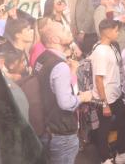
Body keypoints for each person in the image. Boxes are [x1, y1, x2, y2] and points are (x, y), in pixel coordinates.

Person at [32, 19, 93, 163]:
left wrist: (72, 72)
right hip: (62, 134)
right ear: (54, 39)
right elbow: (65, 103)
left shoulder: (42, 58)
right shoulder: (59, 66)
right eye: (64, 30)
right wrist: (83, 98)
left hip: (47, 129)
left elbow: (50, 88)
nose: (69, 31)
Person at [91, 19, 125, 164]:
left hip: (115, 96)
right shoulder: (100, 52)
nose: (118, 33)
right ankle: (105, 159)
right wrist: (104, 104)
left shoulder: (111, 47)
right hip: (105, 99)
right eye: (116, 30)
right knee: (104, 129)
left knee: (123, 122)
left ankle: (121, 153)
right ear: (108, 31)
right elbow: (98, 80)